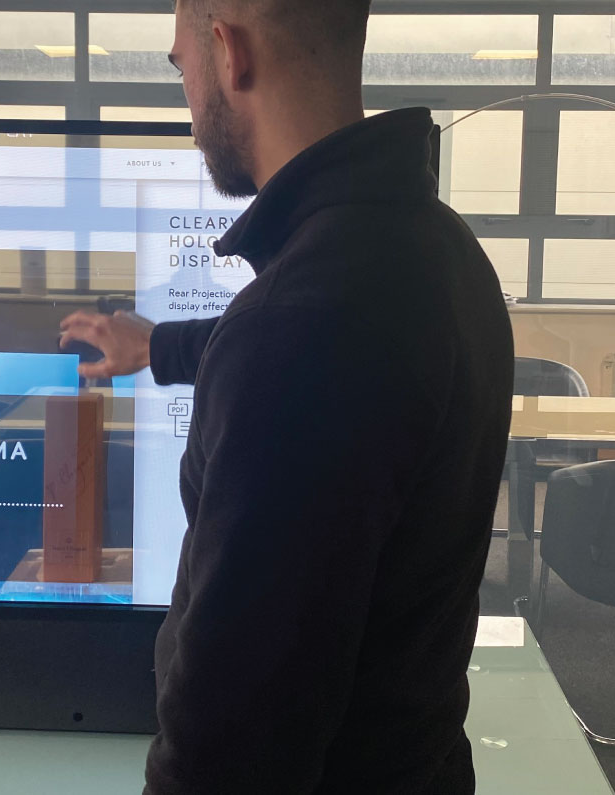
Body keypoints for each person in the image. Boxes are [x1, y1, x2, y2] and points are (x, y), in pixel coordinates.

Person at [59, 1, 514, 792]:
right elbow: (323, 352)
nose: (187, 100)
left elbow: (232, 745)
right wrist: (157, 347)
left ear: (228, 53)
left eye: (180, 65)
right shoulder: (437, 250)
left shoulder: (297, 329)